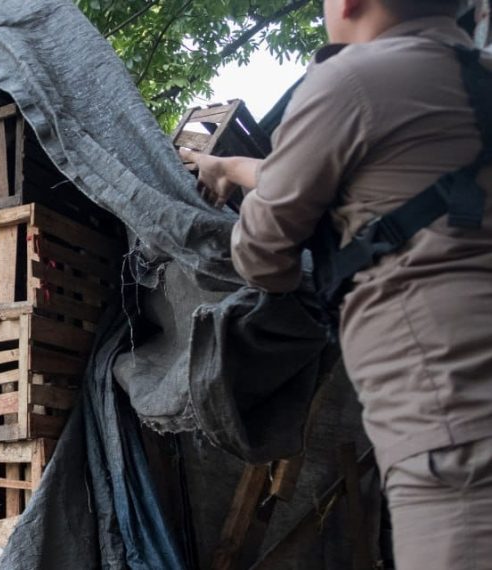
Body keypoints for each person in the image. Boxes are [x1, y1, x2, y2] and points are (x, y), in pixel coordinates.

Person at [181, 1, 491, 567]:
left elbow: (263, 257)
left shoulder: (348, 79)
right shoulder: (472, 79)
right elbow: (380, 176)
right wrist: (227, 168)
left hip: (453, 424)